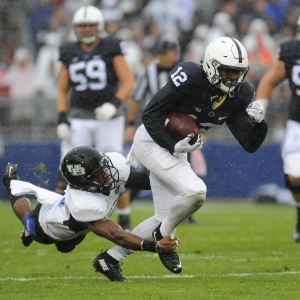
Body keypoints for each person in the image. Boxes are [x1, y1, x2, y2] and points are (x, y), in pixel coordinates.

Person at [99, 36, 268, 280]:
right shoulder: (190, 76)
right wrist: (172, 145)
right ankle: (163, 235)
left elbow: (250, 143)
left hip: (176, 148)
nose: (233, 78)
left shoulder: (239, 95)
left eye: (237, 73)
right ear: (211, 66)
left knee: (162, 216)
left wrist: (260, 123)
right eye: (227, 71)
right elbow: (151, 114)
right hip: (152, 140)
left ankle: (110, 259)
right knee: (195, 192)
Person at [2, 146, 179, 282]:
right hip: (46, 225)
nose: (106, 174)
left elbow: (138, 181)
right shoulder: (84, 205)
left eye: (104, 168)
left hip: (74, 225)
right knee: (28, 221)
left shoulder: (108, 170)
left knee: (66, 247)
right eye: (99, 174)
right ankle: (11, 183)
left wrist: (165, 176)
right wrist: (154, 246)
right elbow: (117, 235)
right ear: (85, 182)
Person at [55, 5, 135, 231]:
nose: (87, 29)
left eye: (91, 25)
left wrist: (114, 103)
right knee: (69, 167)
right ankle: (61, 216)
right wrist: (61, 118)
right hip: (79, 115)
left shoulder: (111, 46)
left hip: (108, 117)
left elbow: (128, 80)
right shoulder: (68, 50)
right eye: (83, 25)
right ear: (76, 28)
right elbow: (61, 89)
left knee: (114, 166)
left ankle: (124, 217)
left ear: (99, 26)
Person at [125, 38, 206, 223]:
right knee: (147, 173)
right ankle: (126, 203)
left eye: (165, 54)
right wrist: (130, 123)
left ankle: (187, 213)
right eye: (160, 54)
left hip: (181, 129)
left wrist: (200, 128)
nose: (162, 58)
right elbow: (136, 99)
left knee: (186, 167)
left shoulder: (188, 73)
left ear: (174, 54)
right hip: (155, 129)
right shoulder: (149, 73)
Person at [255, 15, 300, 243]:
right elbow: (269, 80)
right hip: (297, 122)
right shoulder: (292, 51)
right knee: (294, 176)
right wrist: (260, 109)